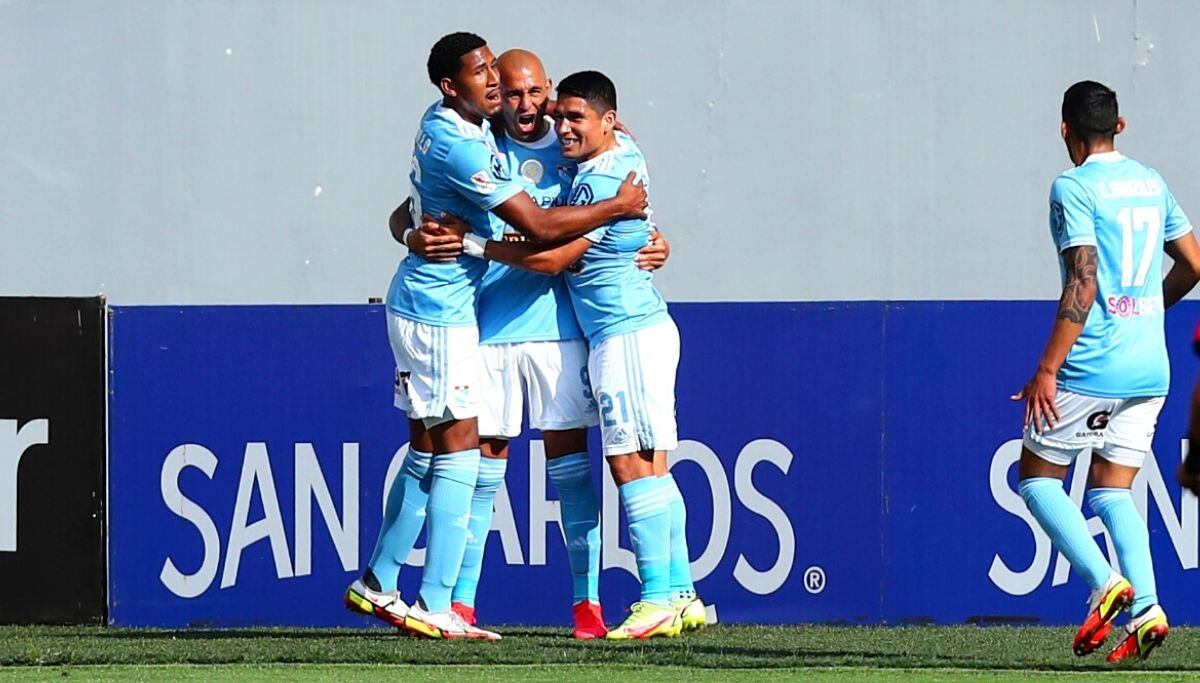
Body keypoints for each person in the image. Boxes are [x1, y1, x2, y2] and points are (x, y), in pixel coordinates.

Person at [343, 32, 647, 641]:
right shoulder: (473, 140)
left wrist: (648, 237)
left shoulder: (569, 139)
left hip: (522, 324)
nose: (517, 98)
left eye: (533, 90)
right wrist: (414, 235)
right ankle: (445, 603)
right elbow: (516, 228)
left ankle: (386, 582)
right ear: (475, 90)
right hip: (463, 319)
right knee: (464, 456)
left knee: (456, 454)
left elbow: (626, 199)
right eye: (504, 86)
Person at [457, 70, 702, 640]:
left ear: (606, 120)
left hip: (625, 331)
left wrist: (474, 243)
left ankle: (657, 598)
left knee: (630, 463)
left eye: (575, 117)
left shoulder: (600, 182)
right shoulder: (617, 152)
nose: (563, 126)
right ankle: (681, 592)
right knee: (651, 463)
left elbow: (550, 257)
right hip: (629, 327)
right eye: (560, 115)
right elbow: (607, 126)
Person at [1012, 80, 1200, 663]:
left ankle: (1104, 583)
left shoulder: (1072, 187)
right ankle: (1148, 609)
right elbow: (1193, 264)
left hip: (1095, 363)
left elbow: (1083, 281)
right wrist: (1145, 310)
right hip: (1150, 366)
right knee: (1112, 491)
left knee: (1037, 480)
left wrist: (1048, 368)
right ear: (1119, 127)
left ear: (1065, 129)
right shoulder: (1150, 181)